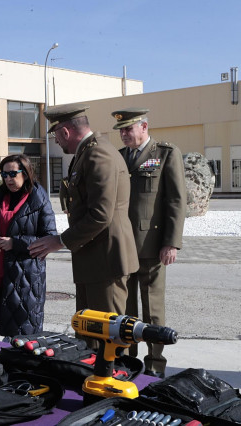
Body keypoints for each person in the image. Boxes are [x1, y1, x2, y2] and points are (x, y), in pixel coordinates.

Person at [28, 104, 139, 323]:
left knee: (109, 335)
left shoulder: (98, 154)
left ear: (65, 132)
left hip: (105, 261)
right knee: (91, 332)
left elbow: (100, 214)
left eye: (56, 136)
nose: (57, 142)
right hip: (95, 260)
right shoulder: (88, 152)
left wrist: (60, 240)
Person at [112, 108, 187, 378]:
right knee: (126, 307)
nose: (123, 134)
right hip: (122, 245)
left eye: (128, 129)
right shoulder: (120, 157)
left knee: (153, 309)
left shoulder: (165, 153)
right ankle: (129, 363)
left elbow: (176, 201)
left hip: (152, 245)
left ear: (144, 127)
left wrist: (172, 243)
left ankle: (155, 365)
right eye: (120, 130)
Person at [0, 154, 57, 339]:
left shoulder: (39, 199)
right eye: (4, 175)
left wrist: (15, 243)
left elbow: (49, 237)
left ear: (26, 173)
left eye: (13, 174)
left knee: (22, 332)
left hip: (26, 276)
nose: (8, 179)